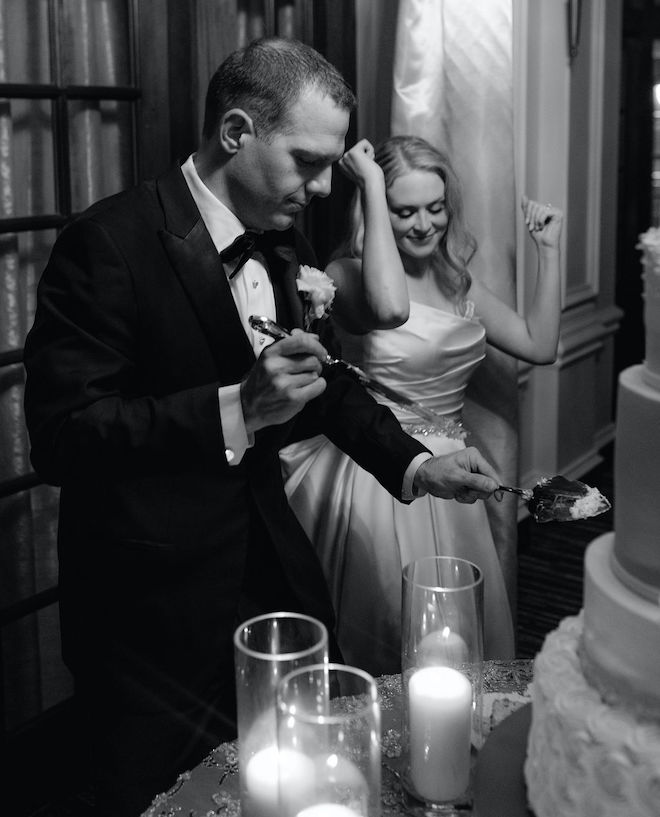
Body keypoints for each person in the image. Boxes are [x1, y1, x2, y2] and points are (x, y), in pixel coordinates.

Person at [22, 41, 502, 816]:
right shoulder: (107, 243)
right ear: (238, 131)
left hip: (277, 575)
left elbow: (328, 386)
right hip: (149, 618)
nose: (321, 188)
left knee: (316, 782)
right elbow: (62, 434)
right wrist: (234, 408)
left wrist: (417, 465)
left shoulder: (284, 245)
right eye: (308, 162)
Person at [280, 135, 564, 676]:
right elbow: (391, 311)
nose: (424, 225)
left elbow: (539, 345)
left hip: (453, 472)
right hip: (377, 471)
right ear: (375, 210)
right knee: (385, 623)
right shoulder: (347, 274)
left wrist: (548, 253)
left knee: (453, 637)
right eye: (403, 210)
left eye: (435, 208)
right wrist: (367, 185)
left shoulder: (458, 279)